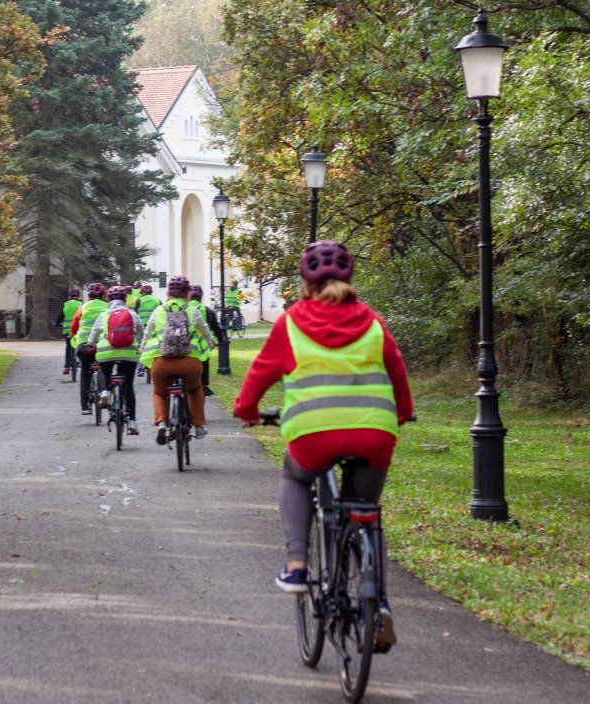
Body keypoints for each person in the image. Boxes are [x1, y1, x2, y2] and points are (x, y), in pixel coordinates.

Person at [233, 241, 412, 651]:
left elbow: (259, 375)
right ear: (349, 279)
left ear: (305, 282)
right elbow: (396, 370)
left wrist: (247, 411)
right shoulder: (372, 321)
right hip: (374, 432)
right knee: (366, 513)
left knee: (295, 479)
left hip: (312, 435)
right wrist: (401, 412)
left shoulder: (292, 322)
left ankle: (297, 565)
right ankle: (378, 601)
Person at [138, 276, 218, 445]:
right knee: (195, 390)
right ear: (187, 293)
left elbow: (147, 334)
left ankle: (162, 422)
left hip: (162, 363)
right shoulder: (192, 311)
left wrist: (141, 348)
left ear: (168, 292)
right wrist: (211, 344)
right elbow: (206, 333)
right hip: (189, 363)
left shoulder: (159, 310)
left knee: (160, 392)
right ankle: (198, 426)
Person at [85, 285, 144, 434]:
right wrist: (142, 344)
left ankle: (104, 392)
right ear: (125, 299)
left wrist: (90, 344)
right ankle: (131, 422)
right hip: (129, 353)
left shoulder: (104, 314)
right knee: (129, 386)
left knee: (105, 371)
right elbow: (141, 332)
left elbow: (94, 333)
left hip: (106, 352)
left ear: (109, 299)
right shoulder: (132, 314)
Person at [69, 283, 108, 415]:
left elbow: (74, 328)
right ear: (102, 295)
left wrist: (72, 335)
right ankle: (104, 392)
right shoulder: (107, 308)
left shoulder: (82, 308)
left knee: (85, 373)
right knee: (103, 368)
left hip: (84, 345)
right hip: (102, 345)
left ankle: (85, 407)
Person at [189, 284, 224, 397]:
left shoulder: (183, 308)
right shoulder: (206, 310)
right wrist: (221, 339)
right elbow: (215, 327)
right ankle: (204, 385)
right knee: (205, 361)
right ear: (201, 297)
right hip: (202, 348)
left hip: (184, 346)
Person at [55, 287, 83, 378]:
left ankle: (66, 367)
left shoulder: (65, 304)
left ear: (70, 296)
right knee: (79, 345)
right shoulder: (81, 304)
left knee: (68, 348)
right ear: (78, 296)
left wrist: (57, 323)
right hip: (78, 330)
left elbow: (61, 315)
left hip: (67, 330)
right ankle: (80, 361)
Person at [135, 283, 162, 377]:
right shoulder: (157, 301)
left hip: (142, 326)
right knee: (155, 344)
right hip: (154, 326)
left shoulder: (139, 300)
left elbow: (135, 312)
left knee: (141, 346)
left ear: (142, 293)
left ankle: (140, 369)